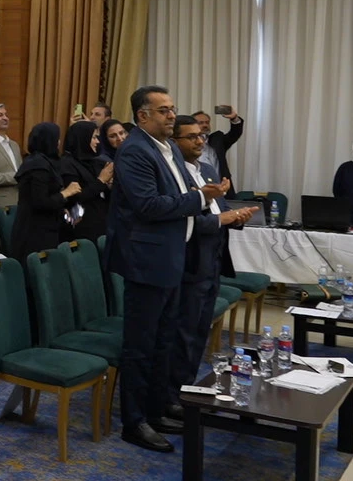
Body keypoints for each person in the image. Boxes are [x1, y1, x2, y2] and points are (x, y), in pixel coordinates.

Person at [107, 85, 226, 453]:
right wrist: (200, 198)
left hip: (174, 256)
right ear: (142, 116)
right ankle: (134, 422)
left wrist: (197, 196)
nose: (172, 115)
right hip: (147, 262)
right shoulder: (134, 151)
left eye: (172, 108)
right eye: (163, 110)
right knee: (140, 346)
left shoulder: (169, 147)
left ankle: (156, 409)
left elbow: (176, 196)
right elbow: (149, 206)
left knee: (164, 341)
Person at [165, 116, 254, 419]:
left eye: (201, 136)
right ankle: (172, 394)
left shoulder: (208, 170)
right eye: (191, 137)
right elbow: (182, 219)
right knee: (184, 333)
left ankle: (188, 389)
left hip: (213, 262)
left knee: (199, 331)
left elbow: (221, 209)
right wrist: (219, 219)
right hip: (189, 263)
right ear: (174, 141)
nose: (200, 141)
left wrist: (236, 217)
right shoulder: (174, 173)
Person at [12, 123, 81, 259]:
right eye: (57, 138)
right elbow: (40, 201)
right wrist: (66, 193)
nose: (59, 142)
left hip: (46, 227)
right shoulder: (37, 165)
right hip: (34, 232)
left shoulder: (46, 161)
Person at [59, 120, 114, 245]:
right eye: (94, 137)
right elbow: (76, 196)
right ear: (82, 139)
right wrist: (101, 180)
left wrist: (109, 185)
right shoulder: (67, 164)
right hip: (81, 226)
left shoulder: (94, 162)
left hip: (101, 221)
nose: (97, 141)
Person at [192, 107, 242, 196]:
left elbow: (234, 134)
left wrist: (234, 118)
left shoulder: (217, 140)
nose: (205, 125)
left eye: (207, 122)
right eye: (201, 123)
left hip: (222, 188)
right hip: (199, 189)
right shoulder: (186, 143)